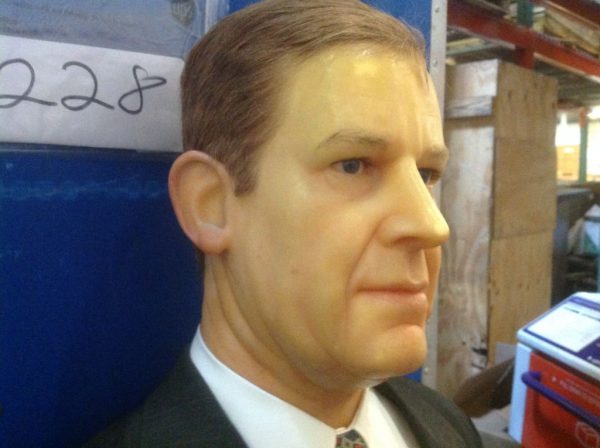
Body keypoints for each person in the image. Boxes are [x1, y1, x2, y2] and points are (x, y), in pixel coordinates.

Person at [85, 1, 482, 446]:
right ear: (210, 204)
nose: (432, 225)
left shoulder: (448, 425)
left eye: (426, 174)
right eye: (353, 165)